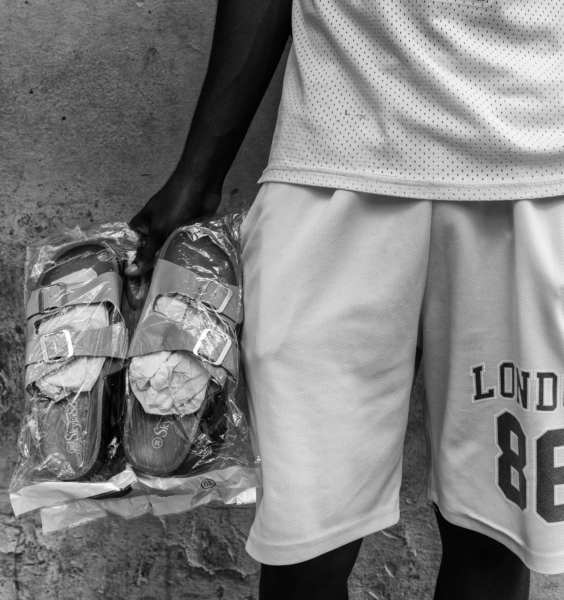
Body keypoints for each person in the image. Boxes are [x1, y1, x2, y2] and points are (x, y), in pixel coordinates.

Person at [126, 1, 564, 598]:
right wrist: (199, 172)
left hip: (533, 161)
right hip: (332, 152)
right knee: (305, 543)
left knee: (493, 534)